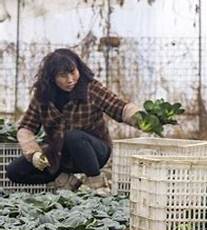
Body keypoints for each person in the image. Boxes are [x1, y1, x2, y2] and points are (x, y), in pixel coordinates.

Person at [6, 48, 142, 191]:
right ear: (52, 78)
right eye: (63, 75)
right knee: (14, 171)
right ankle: (68, 182)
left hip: (95, 152)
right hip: (60, 154)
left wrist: (143, 119)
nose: (70, 79)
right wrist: (33, 153)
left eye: (73, 72)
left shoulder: (90, 88)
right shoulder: (43, 96)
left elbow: (120, 108)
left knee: (73, 136)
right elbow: (26, 127)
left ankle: (96, 184)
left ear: (79, 69)